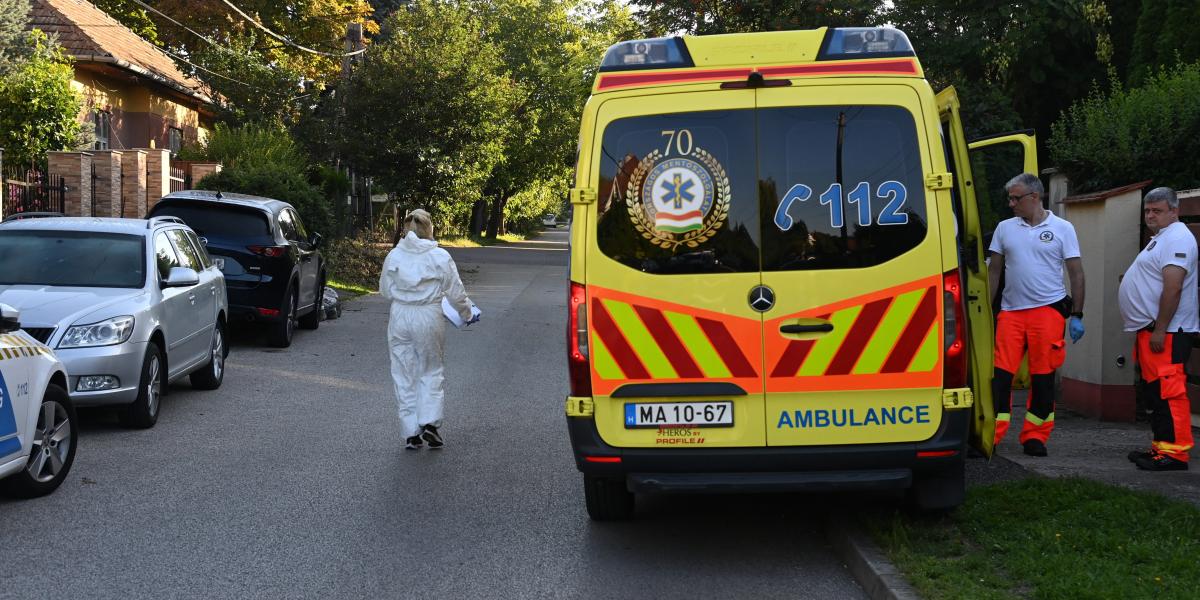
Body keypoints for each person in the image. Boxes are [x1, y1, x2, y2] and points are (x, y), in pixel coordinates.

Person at [988, 173, 1086, 457]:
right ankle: (991, 434)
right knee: (1000, 377)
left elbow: (1076, 273)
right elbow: (995, 271)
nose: (1011, 203)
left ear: (1035, 197)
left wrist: (1077, 313)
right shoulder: (1005, 228)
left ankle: (1035, 436)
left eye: (1015, 198)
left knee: (1042, 378)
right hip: (1011, 313)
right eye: (1010, 198)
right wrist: (986, 308)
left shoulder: (1063, 228)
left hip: (1048, 311)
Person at [379, 209, 477, 450]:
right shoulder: (439, 256)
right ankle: (430, 423)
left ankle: (410, 431)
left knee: (403, 372)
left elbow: (385, 290)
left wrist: (405, 295)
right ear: (429, 227)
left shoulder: (394, 255)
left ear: (405, 228)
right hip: (428, 315)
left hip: (400, 316)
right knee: (431, 369)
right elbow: (456, 291)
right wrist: (467, 313)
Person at [1119, 187, 1197, 471]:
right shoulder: (1162, 238)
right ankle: (1161, 448)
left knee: (1169, 391)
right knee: (1157, 393)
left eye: (1158, 211)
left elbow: (1173, 287)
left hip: (1167, 332)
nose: (1151, 216)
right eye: (1147, 211)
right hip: (1152, 331)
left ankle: (1175, 455)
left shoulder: (1177, 238)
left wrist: (1161, 329)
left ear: (1174, 211)